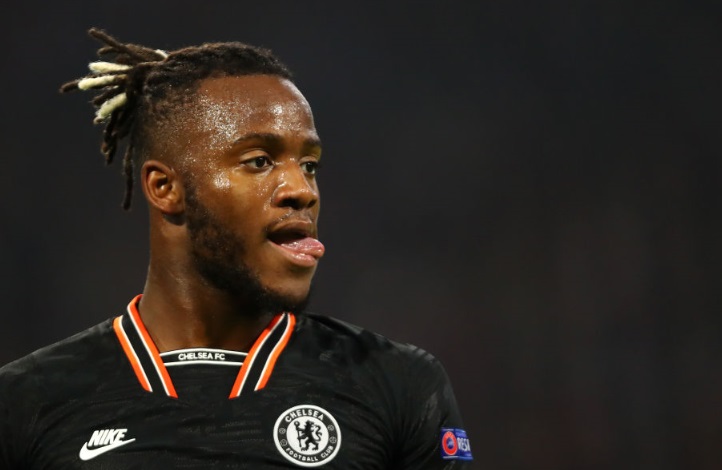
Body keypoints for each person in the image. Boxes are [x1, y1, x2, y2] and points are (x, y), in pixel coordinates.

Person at [0, 28, 472, 469]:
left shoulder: (398, 385)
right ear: (165, 187)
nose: (302, 190)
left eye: (309, 164)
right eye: (260, 161)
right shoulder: (26, 402)